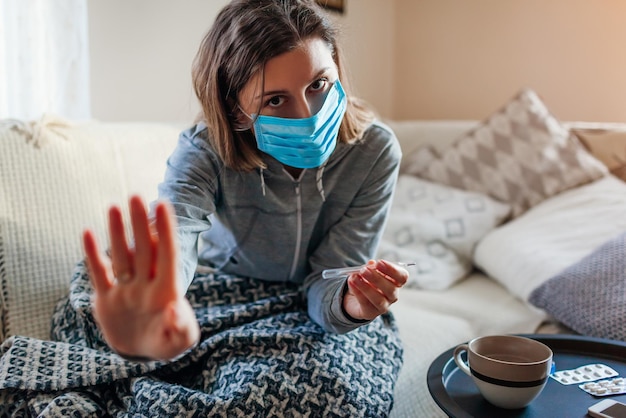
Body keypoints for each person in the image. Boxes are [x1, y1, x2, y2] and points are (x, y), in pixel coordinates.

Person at [83, 0, 407, 366]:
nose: (307, 115)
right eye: (275, 100)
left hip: (314, 307)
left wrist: (353, 303)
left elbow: (333, 275)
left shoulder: (375, 152)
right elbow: (177, 227)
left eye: (318, 83)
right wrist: (163, 299)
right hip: (228, 291)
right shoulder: (204, 152)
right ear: (236, 110)